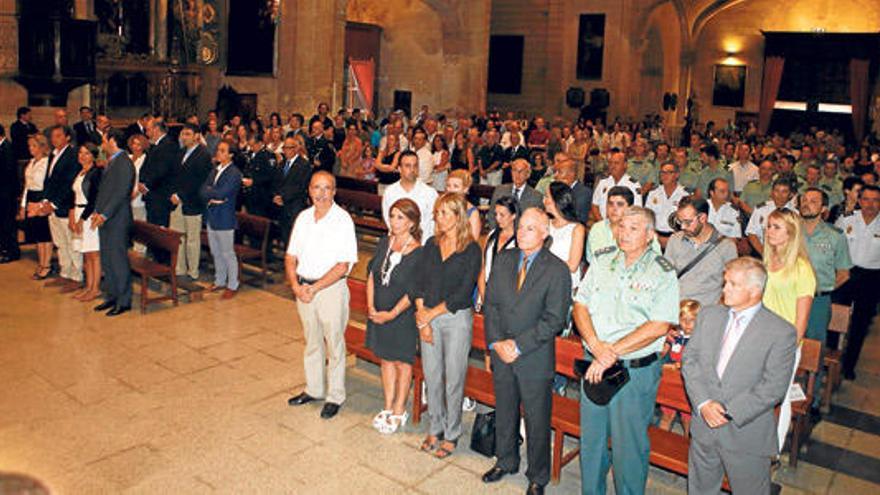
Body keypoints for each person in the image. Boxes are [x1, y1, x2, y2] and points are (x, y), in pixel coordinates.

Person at [573, 207, 679, 495]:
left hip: (633, 371)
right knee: (592, 443)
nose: (624, 233)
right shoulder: (603, 260)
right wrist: (595, 345)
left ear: (649, 235)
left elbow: (659, 325)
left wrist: (612, 352)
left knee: (628, 447)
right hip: (595, 362)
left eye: (633, 228)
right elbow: (580, 305)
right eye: (620, 226)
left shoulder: (661, 272)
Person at [681, 257, 797, 495]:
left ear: (755, 290)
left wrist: (726, 411)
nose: (724, 289)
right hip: (704, 425)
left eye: (733, 284)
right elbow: (690, 361)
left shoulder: (780, 332)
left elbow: (773, 388)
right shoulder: (709, 315)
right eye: (725, 282)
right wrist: (704, 403)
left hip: (746, 432)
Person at [481, 208, 572, 494]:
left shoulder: (557, 269)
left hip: (533, 356)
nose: (522, 233)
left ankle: (537, 475)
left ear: (545, 233)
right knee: (505, 410)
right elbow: (492, 304)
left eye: (530, 228)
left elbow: (555, 319)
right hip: (502, 352)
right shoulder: (504, 260)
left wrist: (518, 346)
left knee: (536, 419)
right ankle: (505, 460)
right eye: (520, 227)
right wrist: (497, 342)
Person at [286, 171, 359, 419]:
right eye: (317, 188)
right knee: (312, 342)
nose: (321, 193)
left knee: (335, 344)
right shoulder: (304, 218)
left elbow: (343, 265)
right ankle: (314, 389)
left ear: (334, 191)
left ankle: (335, 395)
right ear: (309, 190)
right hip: (303, 289)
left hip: (330, 290)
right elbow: (290, 256)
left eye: (327, 188)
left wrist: (314, 289)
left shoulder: (342, 220)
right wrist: (296, 286)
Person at [414, 192, 482, 459]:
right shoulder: (431, 244)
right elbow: (419, 282)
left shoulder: (471, 249)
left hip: (456, 320)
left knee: (453, 378)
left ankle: (452, 433)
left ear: (458, 216)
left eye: (443, 213)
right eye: (437, 212)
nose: (437, 217)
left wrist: (430, 315)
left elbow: (463, 293)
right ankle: (435, 427)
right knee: (432, 376)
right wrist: (422, 316)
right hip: (427, 315)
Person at [366, 198, 423, 434]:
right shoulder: (384, 243)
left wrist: (391, 314)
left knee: (402, 361)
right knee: (386, 359)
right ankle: (388, 405)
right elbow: (371, 275)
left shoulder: (418, 251)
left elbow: (413, 291)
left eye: (400, 217)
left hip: (401, 316)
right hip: (379, 310)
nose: (394, 221)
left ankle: (400, 408)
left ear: (411, 223)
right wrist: (370, 307)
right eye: (392, 216)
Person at [762, 208, 816, 450]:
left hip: (784, 345)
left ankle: (774, 450)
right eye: (768, 225)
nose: (768, 231)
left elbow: (801, 323)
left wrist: (786, 350)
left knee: (780, 398)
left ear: (791, 233)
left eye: (776, 227)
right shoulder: (765, 261)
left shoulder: (801, 268)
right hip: (759, 340)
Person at [800, 187, 851, 410]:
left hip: (818, 302)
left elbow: (844, 273)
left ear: (823, 209)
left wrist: (823, 288)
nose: (806, 203)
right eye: (803, 199)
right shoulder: (791, 231)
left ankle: (812, 398)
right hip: (789, 298)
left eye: (813, 201)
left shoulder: (834, 236)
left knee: (814, 350)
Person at [834, 185, 880, 380]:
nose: (870, 204)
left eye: (876, 200)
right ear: (860, 201)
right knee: (835, 317)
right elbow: (833, 240)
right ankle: (830, 359)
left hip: (872, 278)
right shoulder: (847, 219)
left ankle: (849, 365)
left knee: (860, 324)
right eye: (866, 199)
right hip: (846, 272)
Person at [90, 129, 136, 317]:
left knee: (118, 260)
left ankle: (124, 300)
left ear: (113, 141)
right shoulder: (112, 161)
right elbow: (104, 191)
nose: (102, 144)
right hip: (106, 218)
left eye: (104, 140)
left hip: (117, 219)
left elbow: (120, 193)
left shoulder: (124, 162)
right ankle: (112, 296)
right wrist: (96, 211)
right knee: (107, 260)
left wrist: (105, 214)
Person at [665, 197, 738, 306]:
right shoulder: (675, 240)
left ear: (703, 218)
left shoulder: (726, 247)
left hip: (707, 312)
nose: (682, 226)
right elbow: (665, 276)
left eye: (688, 222)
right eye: (680, 221)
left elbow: (732, 286)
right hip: (677, 309)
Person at [42, 125, 83, 289]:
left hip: (65, 206)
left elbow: (68, 184)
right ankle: (65, 273)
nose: (54, 139)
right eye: (52, 136)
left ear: (67, 137)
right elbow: (49, 180)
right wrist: (45, 200)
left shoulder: (72, 155)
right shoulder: (53, 155)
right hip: (52, 205)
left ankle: (76, 276)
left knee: (71, 242)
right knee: (60, 242)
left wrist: (54, 203)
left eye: (58, 136)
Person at [201, 141, 243, 299]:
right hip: (212, 215)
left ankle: (233, 284)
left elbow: (222, 193)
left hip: (224, 217)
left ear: (230, 154)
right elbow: (202, 189)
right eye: (218, 150)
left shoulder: (234, 173)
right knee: (215, 252)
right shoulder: (214, 170)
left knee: (227, 253)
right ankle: (219, 280)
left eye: (222, 151)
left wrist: (213, 193)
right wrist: (213, 194)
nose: (218, 153)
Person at [171, 124, 212, 280]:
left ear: (196, 136)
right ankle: (180, 268)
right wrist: (174, 193)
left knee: (192, 239)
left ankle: (192, 271)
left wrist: (181, 195)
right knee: (179, 237)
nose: (184, 137)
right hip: (177, 200)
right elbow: (175, 175)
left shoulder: (203, 154)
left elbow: (199, 180)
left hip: (193, 201)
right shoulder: (180, 152)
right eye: (183, 134)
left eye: (188, 134)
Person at [658, 299, 701, 434]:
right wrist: (664, 340)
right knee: (666, 416)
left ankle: (687, 447)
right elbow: (662, 353)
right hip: (671, 382)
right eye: (683, 320)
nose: (687, 324)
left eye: (692, 320)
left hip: (688, 386)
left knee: (687, 420)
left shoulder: (700, 340)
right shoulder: (675, 336)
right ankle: (660, 442)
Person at [69, 144, 103, 302]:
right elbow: (73, 196)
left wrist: (82, 219)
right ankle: (88, 286)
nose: (82, 156)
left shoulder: (96, 173)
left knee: (93, 254)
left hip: (89, 216)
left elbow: (94, 200)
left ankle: (95, 288)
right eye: (81, 153)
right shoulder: (80, 172)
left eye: (87, 153)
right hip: (78, 212)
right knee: (85, 254)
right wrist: (73, 217)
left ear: (93, 156)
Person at [382, 150, 438, 243]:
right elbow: (388, 219)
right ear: (399, 168)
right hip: (397, 242)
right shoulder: (390, 192)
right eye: (408, 166)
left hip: (421, 244)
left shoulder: (430, 193)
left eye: (415, 166)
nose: (412, 170)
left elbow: (433, 223)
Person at [19, 135, 53, 278]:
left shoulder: (46, 163)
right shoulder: (31, 162)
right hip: (31, 197)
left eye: (34, 146)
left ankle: (47, 264)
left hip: (41, 198)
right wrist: (23, 205)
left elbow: (48, 185)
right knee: (37, 234)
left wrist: (41, 205)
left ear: (42, 147)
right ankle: (41, 262)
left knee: (45, 233)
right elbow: (27, 186)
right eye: (29, 146)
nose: (31, 149)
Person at [543, 182, 586, 291]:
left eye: (547, 196)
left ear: (557, 200)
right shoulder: (545, 223)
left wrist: (542, 263)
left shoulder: (577, 228)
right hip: (544, 280)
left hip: (563, 284)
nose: (544, 200)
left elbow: (572, 265)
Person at [477, 195, 519, 304]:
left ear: (513, 216)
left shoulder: (519, 241)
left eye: (502, 215)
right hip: (485, 289)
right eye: (496, 214)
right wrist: (483, 294)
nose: (498, 218)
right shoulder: (491, 235)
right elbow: (482, 267)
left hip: (507, 295)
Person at [273, 134, 311, 248]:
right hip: (281, 205)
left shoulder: (304, 165)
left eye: (288, 148)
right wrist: (276, 196)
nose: (285, 151)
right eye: (284, 148)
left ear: (295, 149)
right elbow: (276, 182)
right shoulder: (282, 164)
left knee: (294, 236)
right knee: (284, 234)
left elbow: (300, 186)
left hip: (295, 205)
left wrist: (283, 197)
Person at [486, 158, 543, 231]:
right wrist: (497, 234)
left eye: (521, 171)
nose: (517, 174)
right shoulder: (500, 191)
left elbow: (536, 223)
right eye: (514, 170)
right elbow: (491, 215)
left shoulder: (536, 197)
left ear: (528, 174)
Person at [745, 178, 795, 255]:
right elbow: (752, 233)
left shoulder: (796, 214)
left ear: (791, 194)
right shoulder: (761, 209)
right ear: (772, 192)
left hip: (787, 253)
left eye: (784, 192)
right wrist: (764, 253)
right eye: (776, 191)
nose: (779, 195)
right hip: (762, 251)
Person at [645, 161, 689, 246]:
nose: (665, 175)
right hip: (654, 237)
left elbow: (687, 222)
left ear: (677, 175)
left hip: (677, 239)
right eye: (662, 172)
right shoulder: (653, 194)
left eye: (669, 172)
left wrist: (673, 239)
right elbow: (647, 218)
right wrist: (655, 237)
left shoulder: (685, 195)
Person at [591, 151, 642, 221]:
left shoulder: (633, 185)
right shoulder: (603, 183)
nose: (612, 166)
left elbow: (636, 210)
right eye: (610, 163)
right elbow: (595, 205)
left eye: (616, 163)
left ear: (625, 165)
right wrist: (602, 224)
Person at [241, 131, 277, 218]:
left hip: (261, 196)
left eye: (253, 145)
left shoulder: (268, 155)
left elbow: (271, 176)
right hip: (250, 195)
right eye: (250, 145)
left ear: (260, 143)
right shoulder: (250, 154)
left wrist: (254, 181)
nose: (251, 148)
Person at [553, 155, 592, 224]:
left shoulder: (584, 193)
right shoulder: (558, 190)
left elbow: (578, 220)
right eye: (556, 172)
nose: (555, 176)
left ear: (571, 174)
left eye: (560, 172)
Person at [444, 169, 482, 241]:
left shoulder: (472, 213)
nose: (451, 190)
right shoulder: (442, 206)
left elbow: (473, 241)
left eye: (456, 186)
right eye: (448, 186)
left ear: (465, 189)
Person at [0, 124, 19, 264]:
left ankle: (11, 251)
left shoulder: (7, 147)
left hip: (7, 193)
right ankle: (4, 248)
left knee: (8, 223)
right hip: (3, 192)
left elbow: (8, 172)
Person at [127, 134, 149, 253]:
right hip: (127, 196)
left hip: (138, 196)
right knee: (130, 224)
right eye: (134, 143)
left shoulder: (145, 159)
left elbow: (142, 180)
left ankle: (140, 249)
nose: (136, 147)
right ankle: (133, 246)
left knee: (140, 223)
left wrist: (135, 194)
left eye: (139, 144)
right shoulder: (128, 157)